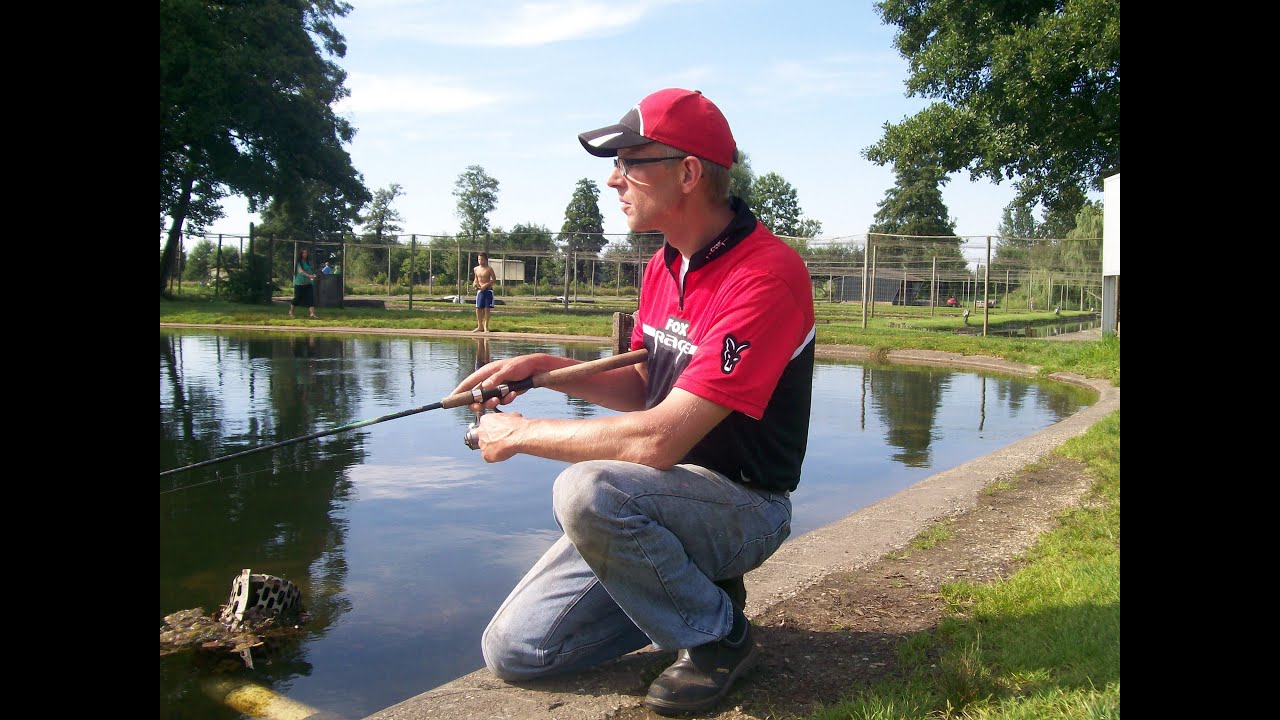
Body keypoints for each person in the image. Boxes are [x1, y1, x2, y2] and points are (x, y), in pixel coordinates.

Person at [452, 88, 816, 716]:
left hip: (744, 506)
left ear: (689, 172)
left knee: (588, 490)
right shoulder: (664, 265)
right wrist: (545, 371)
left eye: (630, 161)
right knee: (514, 652)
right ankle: (696, 593)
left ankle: (717, 640)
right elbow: (649, 387)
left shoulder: (765, 276)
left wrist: (516, 433)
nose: (614, 178)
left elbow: (656, 439)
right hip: (663, 499)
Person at [289, 247, 318, 319]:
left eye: (306, 253)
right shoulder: (299, 262)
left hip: (308, 283)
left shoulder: (308, 262)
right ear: (301, 254)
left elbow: (311, 271)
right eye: (304, 253)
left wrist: (313, 275)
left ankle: (312, 314)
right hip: (300, 283)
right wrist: (308, 275)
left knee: (310, 298)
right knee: (297, 298)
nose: (305, 254)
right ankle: (291, 311)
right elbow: (300, 271)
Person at [472, 253, 497, 332]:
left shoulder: (489, 269)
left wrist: (485, 286)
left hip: (487, 291)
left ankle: (486, 326)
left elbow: (493, 280)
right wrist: (475, 284)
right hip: (480, 291)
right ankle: (480, 326)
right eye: (479, 259)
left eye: (482, 259)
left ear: (486, 260)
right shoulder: (476, 269)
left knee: (486, 308)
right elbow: (476, 279)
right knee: (478, 308)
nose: (480, 261)